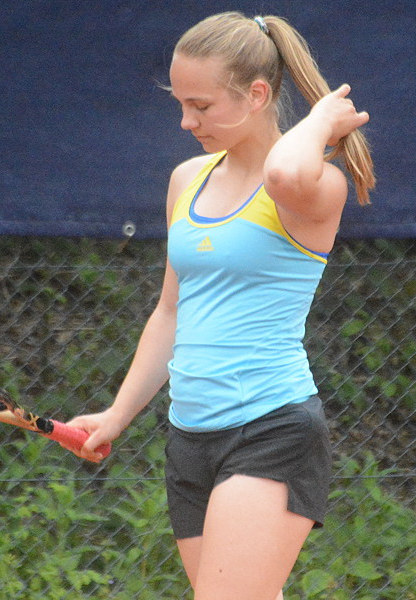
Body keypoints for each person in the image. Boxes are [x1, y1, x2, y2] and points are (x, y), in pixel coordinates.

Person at [63, 11, 375, 600]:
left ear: (257, 94)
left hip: (271, 430)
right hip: (190, 439)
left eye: (201, 105)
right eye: (181, 104)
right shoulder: (187, 180)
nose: (187, 121)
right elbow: (171, 311)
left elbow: (284, 170)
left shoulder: (313, 186)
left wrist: (319, 120)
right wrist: (117, 415)